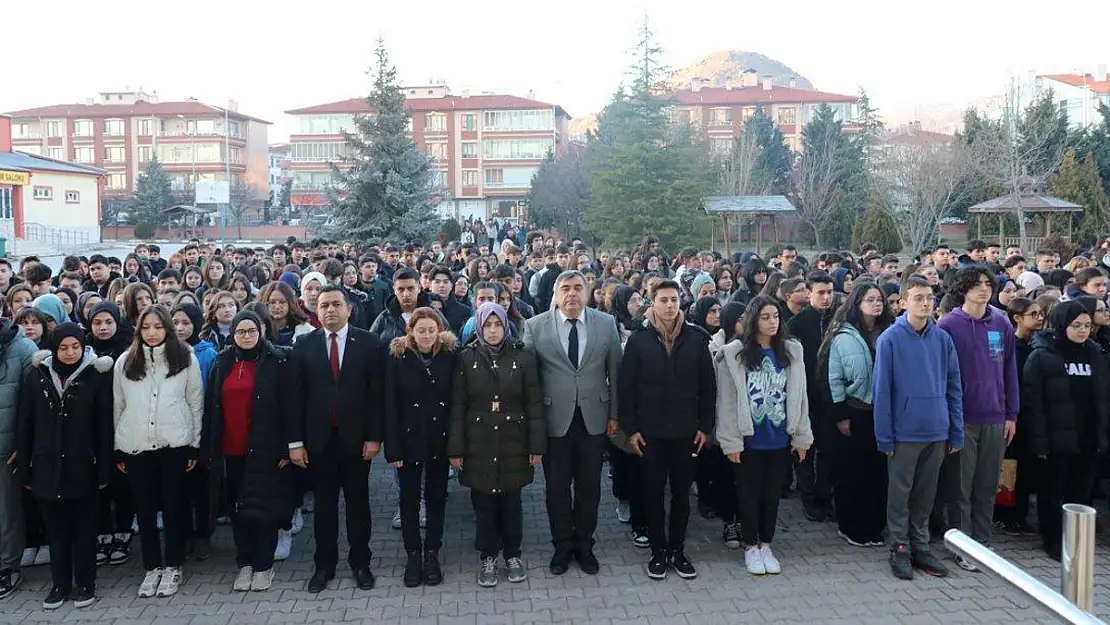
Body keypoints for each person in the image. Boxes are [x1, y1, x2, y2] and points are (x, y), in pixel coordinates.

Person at [522, 270, 622, 577]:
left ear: (588, 291)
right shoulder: (535, 326)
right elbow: (529, 381)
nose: (572, 294)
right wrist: (533, 424)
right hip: (554, 422)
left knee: (590, 487)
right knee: (556, 489)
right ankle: (561, 547)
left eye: (578, 287)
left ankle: (585, 545)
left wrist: (615, 414)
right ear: (555, 293)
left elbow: (615, 372)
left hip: (594, 420)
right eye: (565, 288)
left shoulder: (605, 324)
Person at [287, 285, 383, 593]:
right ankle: (324, 566)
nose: (330, 310)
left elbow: (375, 396)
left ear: (348, 309)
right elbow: (295, 399)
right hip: (319, 442)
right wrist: (295, 442)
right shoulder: (303, 345)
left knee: (358, 506)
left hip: (356, 442)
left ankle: (360, 563)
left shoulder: (368, 343)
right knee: (325, 508)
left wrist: (373, 438)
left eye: (336, 304)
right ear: (316, 311)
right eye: (324, 305)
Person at [618, 279, 715, 581]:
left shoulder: (696, 339)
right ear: (653, 303)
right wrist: (630, 429)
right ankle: (658, 553)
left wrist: (705, 426)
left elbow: (708, 388)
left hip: (686, 432)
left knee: (682, 497)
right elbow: (626, 388)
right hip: (650, 433)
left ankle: (678, 550)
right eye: (663, 300)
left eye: (674, 300)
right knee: (653, 494)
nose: (670, 306)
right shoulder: (639, 341)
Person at [16, 324, 113, 609]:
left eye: (75, 347)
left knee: (84, 530)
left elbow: (104, 426)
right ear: (54, 348)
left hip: (83, 465)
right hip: (46, 466)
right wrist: (25, 466)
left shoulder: (95, 375)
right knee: (55, 531)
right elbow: (26, 422)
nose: (70, 353)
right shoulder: (38, 375)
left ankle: (86, 583)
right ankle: (59, 583)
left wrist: (104, 467)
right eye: (63, 347)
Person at [448, 303, 545, 587]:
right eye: (487, 325)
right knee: (484, 504)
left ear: (506, 326)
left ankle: (513, 554)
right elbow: (457, 406)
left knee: (512, 504)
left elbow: (534, 405)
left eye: (498, 324)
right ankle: (488, 555)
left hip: (514, 440)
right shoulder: (465, 359)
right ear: (479, 327)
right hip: (477, 443)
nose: (493, 331)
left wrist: (535, 445)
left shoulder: (523, 358)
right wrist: (455, 449)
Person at [873, 276, 963, 580]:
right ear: (903, 302)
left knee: (926, 496)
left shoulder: (942, 339)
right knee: (900, 495)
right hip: (903, 434)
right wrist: (884, 436)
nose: (926, 303)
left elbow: (954, 387)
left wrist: (956, 430)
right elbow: (882, 391)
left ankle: (921, 546)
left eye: (929, 298)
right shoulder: (890, 339)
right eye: (918, 298)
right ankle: (899, 547)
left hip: (936, 430)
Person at [715, 295, 812, 576]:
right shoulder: (734, 354)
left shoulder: (792, 351)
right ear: (753, 320)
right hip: (749, 439)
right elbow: (727, 402)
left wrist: (802, 437)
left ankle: (766, 543)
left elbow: (800, 397)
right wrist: (731, 441)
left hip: (780, 437)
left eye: (776, 317)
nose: (772, 322)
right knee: (748, 495)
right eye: (765, 317)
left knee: (772, 495)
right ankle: (750, 546)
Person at [114, 305, 204, 598]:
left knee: (175, 506)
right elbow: (119, 406)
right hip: (137, 446)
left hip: (174, 445)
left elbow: (195, 402)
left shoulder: (185, 358)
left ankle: (174, 564)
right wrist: (119, 448)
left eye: (158, 327)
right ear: (138, 330)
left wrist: (194, 444)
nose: (152, 333)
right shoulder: (126, 361)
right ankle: (152, 566)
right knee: (145, 509)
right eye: (146, 327)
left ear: (167, 328)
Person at [202, 311, 293, 592]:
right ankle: (244, 564)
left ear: (261, 331)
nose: (246, 336)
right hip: (230, 450)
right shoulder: (223, 361)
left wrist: (285, 448)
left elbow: (287, 408)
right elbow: (211, 405)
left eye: (251, 330)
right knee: (237, 510)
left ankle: (264, 566)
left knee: (262, 510)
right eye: (241, 332)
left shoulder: (277, 361)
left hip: (265, 449)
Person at [936, 267, 1018, 572]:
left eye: (987, 284)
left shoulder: (1001, 321)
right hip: (962, 419)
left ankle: (983, 542)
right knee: (961, 487)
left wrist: (1012, 413)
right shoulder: (948, 325)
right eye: (976, 284)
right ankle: (961, 545)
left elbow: (1010, 369)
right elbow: (942, 377)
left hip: (996, 417)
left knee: (987, 485)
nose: (984, 289)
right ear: (962, 289)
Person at [1022, 300, 1108, 560]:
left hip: (1087, 438)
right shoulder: (1042, 354)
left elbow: (1102, 398)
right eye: (1076, 325)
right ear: (1061, 325)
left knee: (1080, 493)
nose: (1083, 331)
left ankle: (1077, 542)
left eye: (1087, 325)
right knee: (1051, 493)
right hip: (1056, 439)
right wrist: (1040, 443)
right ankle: (1053, 541)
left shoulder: (1094, 352)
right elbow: (1033, 403)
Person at [384, 308, 457, 587]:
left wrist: (456, 445)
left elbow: (456, 402)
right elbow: (389, 405)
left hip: (439, 438)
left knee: (437, 497)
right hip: (408, 439)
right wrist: (393, 449)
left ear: (439, 330)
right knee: (409, 499)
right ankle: (413, 552)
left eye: (431, 329)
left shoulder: (450, 357)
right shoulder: (397, 358)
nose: (427, 335)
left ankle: (432, 551)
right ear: (410, 331)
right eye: (421, 330)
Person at [824, 284, 894, 547]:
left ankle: (875, 525)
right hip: (854, 412)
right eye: (870, 299)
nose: (876, 304)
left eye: (880, 299)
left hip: (882, 412)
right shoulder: (843, 335)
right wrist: (840, 415)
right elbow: (834, 378)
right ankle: (851, 525)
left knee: (878, 474)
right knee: (852, 473)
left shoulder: (888, 331)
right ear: (857, 303)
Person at [786, 271, 835, 523]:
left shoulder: (837, 321)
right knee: (804, 450)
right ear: (809, 293)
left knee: (828, 452)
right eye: (820, 293)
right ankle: (808, 498)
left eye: (830, 292)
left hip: (831, 397)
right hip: (805, 396)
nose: (826, 298)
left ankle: (825, 497)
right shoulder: (797, 323)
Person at [0, 316, 43, 600]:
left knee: (6, 513)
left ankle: (7, 566)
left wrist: (22, 444)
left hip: (7, 449)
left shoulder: (23, 348)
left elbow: (34, 404)